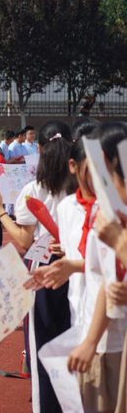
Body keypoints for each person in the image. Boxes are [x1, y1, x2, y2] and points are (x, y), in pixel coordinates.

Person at [0, 121, 76, 413]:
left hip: (42, 264)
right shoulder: (81, 187)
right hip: (76, 263)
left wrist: (0, 211)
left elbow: (25, 240)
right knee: (76, 334)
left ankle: (47, 405)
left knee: (41, 343)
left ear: (38, 148)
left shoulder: (32, 189)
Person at [66, 122, 127, 411]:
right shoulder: (106, 213)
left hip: (113, 342)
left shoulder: (113, 221)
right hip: (102, 336)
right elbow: (106, 280)